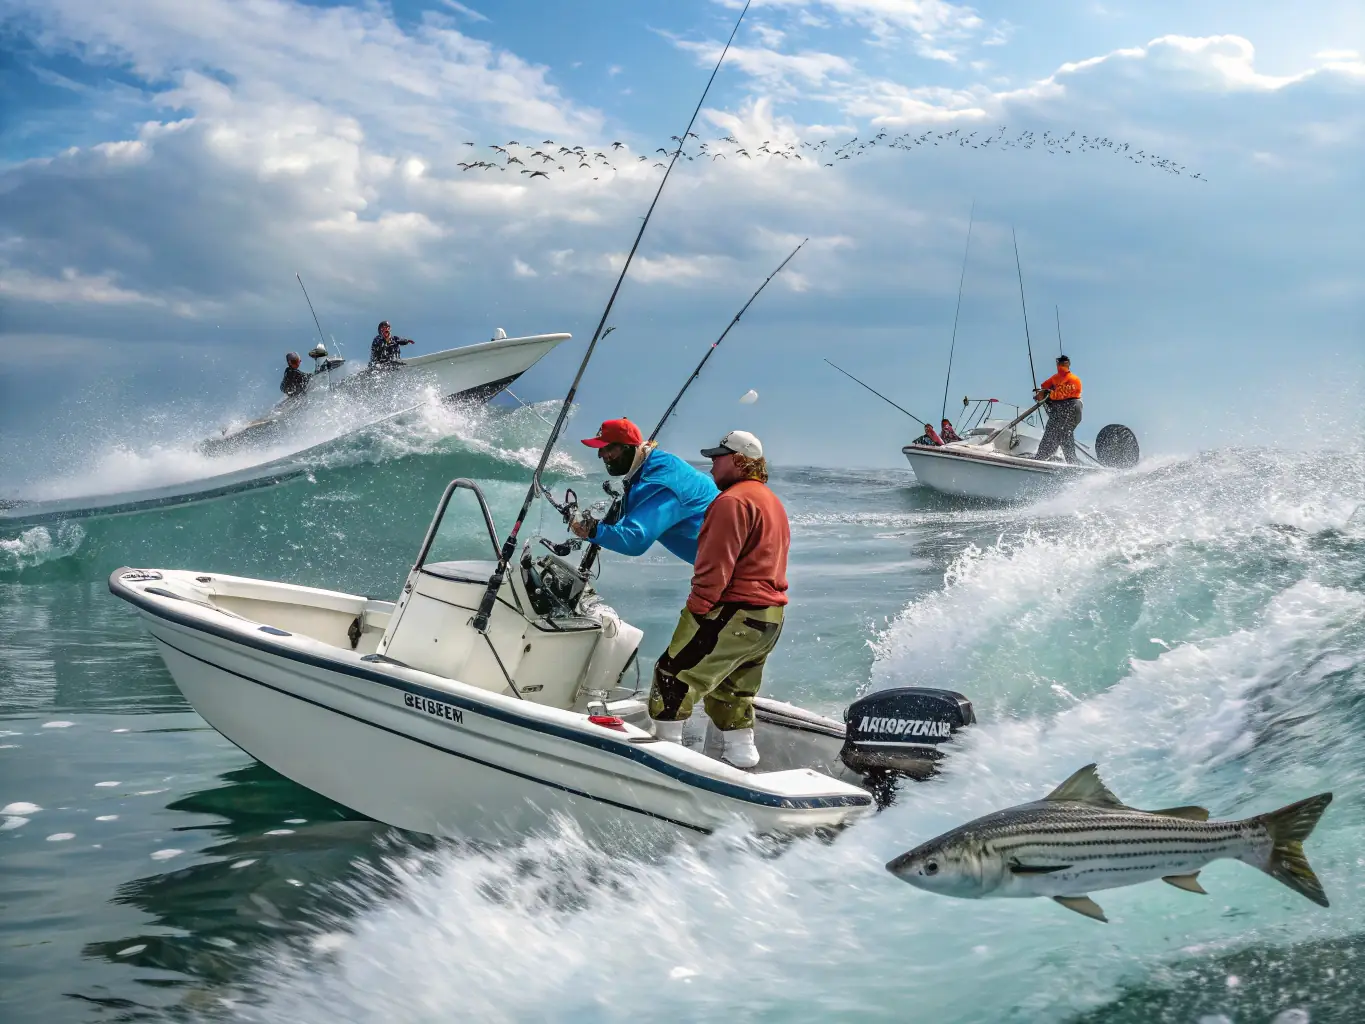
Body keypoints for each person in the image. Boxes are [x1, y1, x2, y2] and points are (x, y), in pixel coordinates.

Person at [648, 429, 790, 769]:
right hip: (769, 619)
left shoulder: (731, 502)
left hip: (735, 613)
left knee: (672, 676)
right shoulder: (770, 501)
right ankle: (741, 760)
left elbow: (714, 569)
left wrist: (695, 613)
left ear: (741, 461)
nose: (711, 464)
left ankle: (665, 760)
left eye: (718, 457)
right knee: (732, 690)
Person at [570, 418, 718, 563]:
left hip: (732, 569)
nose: (600, 454)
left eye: (607, 448)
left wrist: (592, 530)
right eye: (600, 449)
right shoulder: (654, 465)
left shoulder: (659, 482)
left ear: (627, 447)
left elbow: (635, 540)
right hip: (722, 565)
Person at [1031, 354, 1083, 463]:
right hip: (1070, 411)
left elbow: (1062, 395)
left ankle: (1040, 459)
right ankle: (1072, 464)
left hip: (1069, 408)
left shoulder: (1074, 380)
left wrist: (1048, 394)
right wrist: (1042, 392)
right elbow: (1044, 386)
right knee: (1065, 435)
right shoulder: (1056, 378)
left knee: (1054, 433)